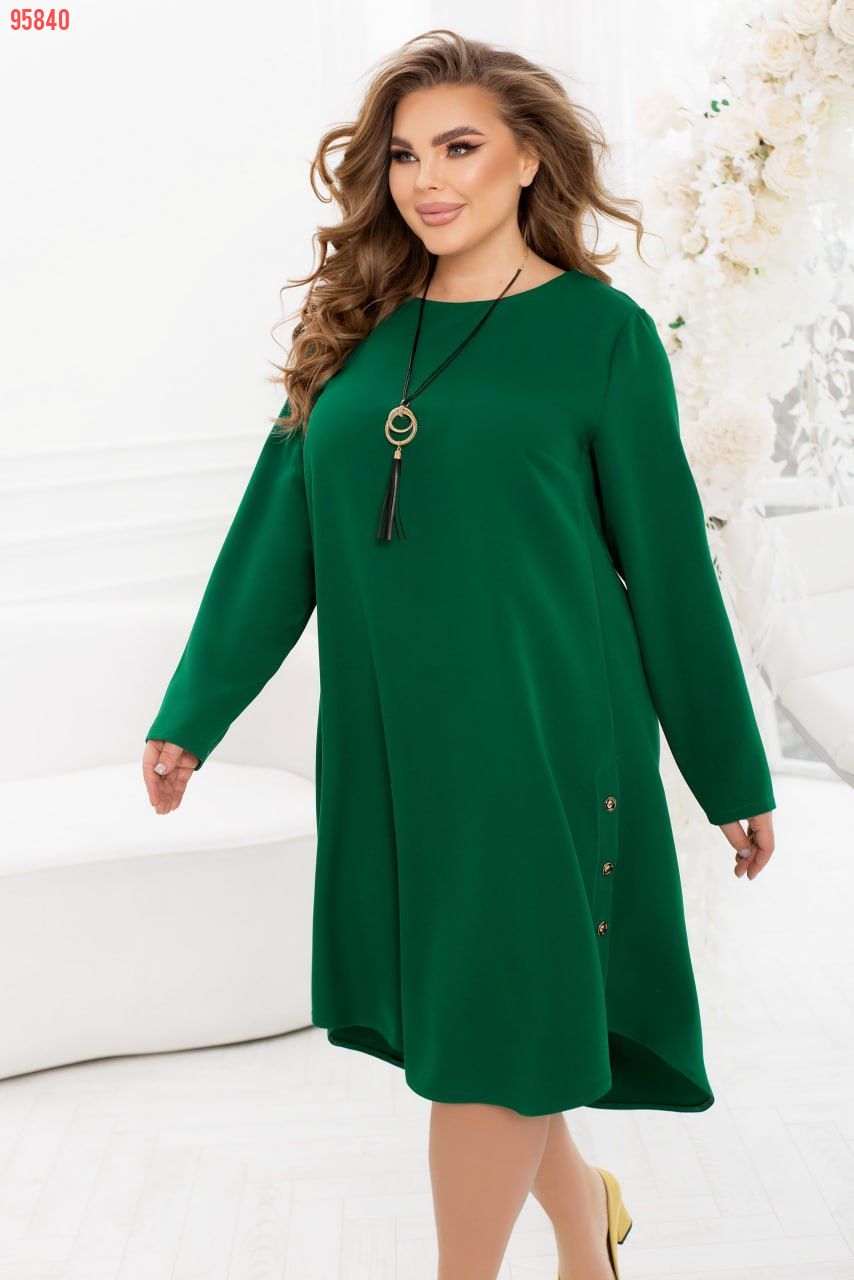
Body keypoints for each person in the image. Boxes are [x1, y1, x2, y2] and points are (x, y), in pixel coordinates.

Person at [142, 29, 777, 1280]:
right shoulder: (353, 330)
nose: (426, 179)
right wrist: (192, 712)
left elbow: (667, 568)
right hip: (395, 744)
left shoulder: (600, 334)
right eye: (403, 156)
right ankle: (587, 1227)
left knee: (488, 1026)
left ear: (528, 158)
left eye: (459, 147)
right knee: (493, 1015)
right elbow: (274, 539)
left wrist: (729, 772)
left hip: (545, 735)